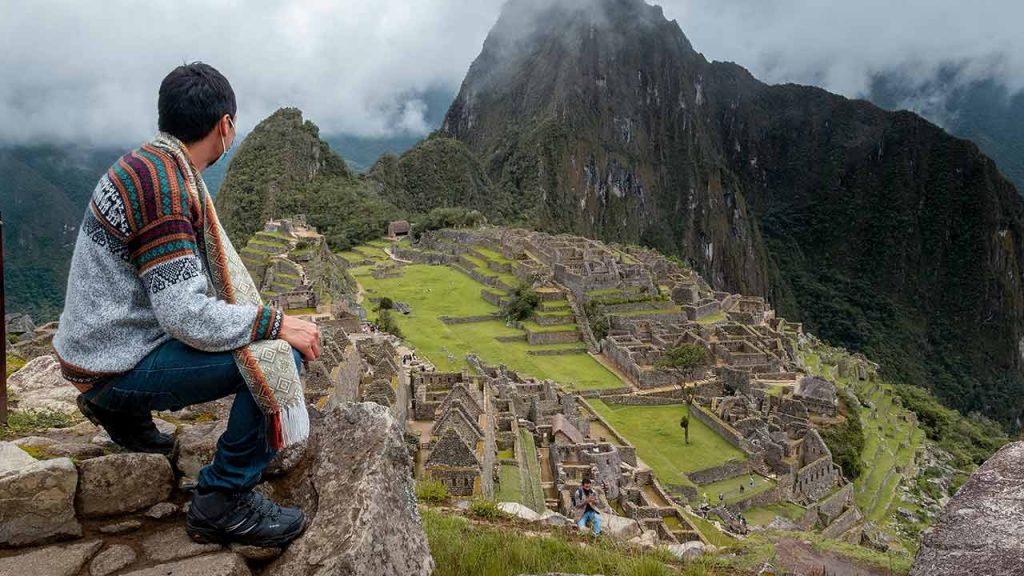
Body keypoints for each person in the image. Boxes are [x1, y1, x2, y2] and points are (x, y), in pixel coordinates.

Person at [53, 62, 322, 548]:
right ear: (225, 126)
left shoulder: (147, 163)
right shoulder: (165, 187)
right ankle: (224, 498)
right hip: (113, 362)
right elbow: (185, 315)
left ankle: (121, 415)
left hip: (95, 348)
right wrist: (275, 324)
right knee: (278, 358)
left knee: (264, 340)